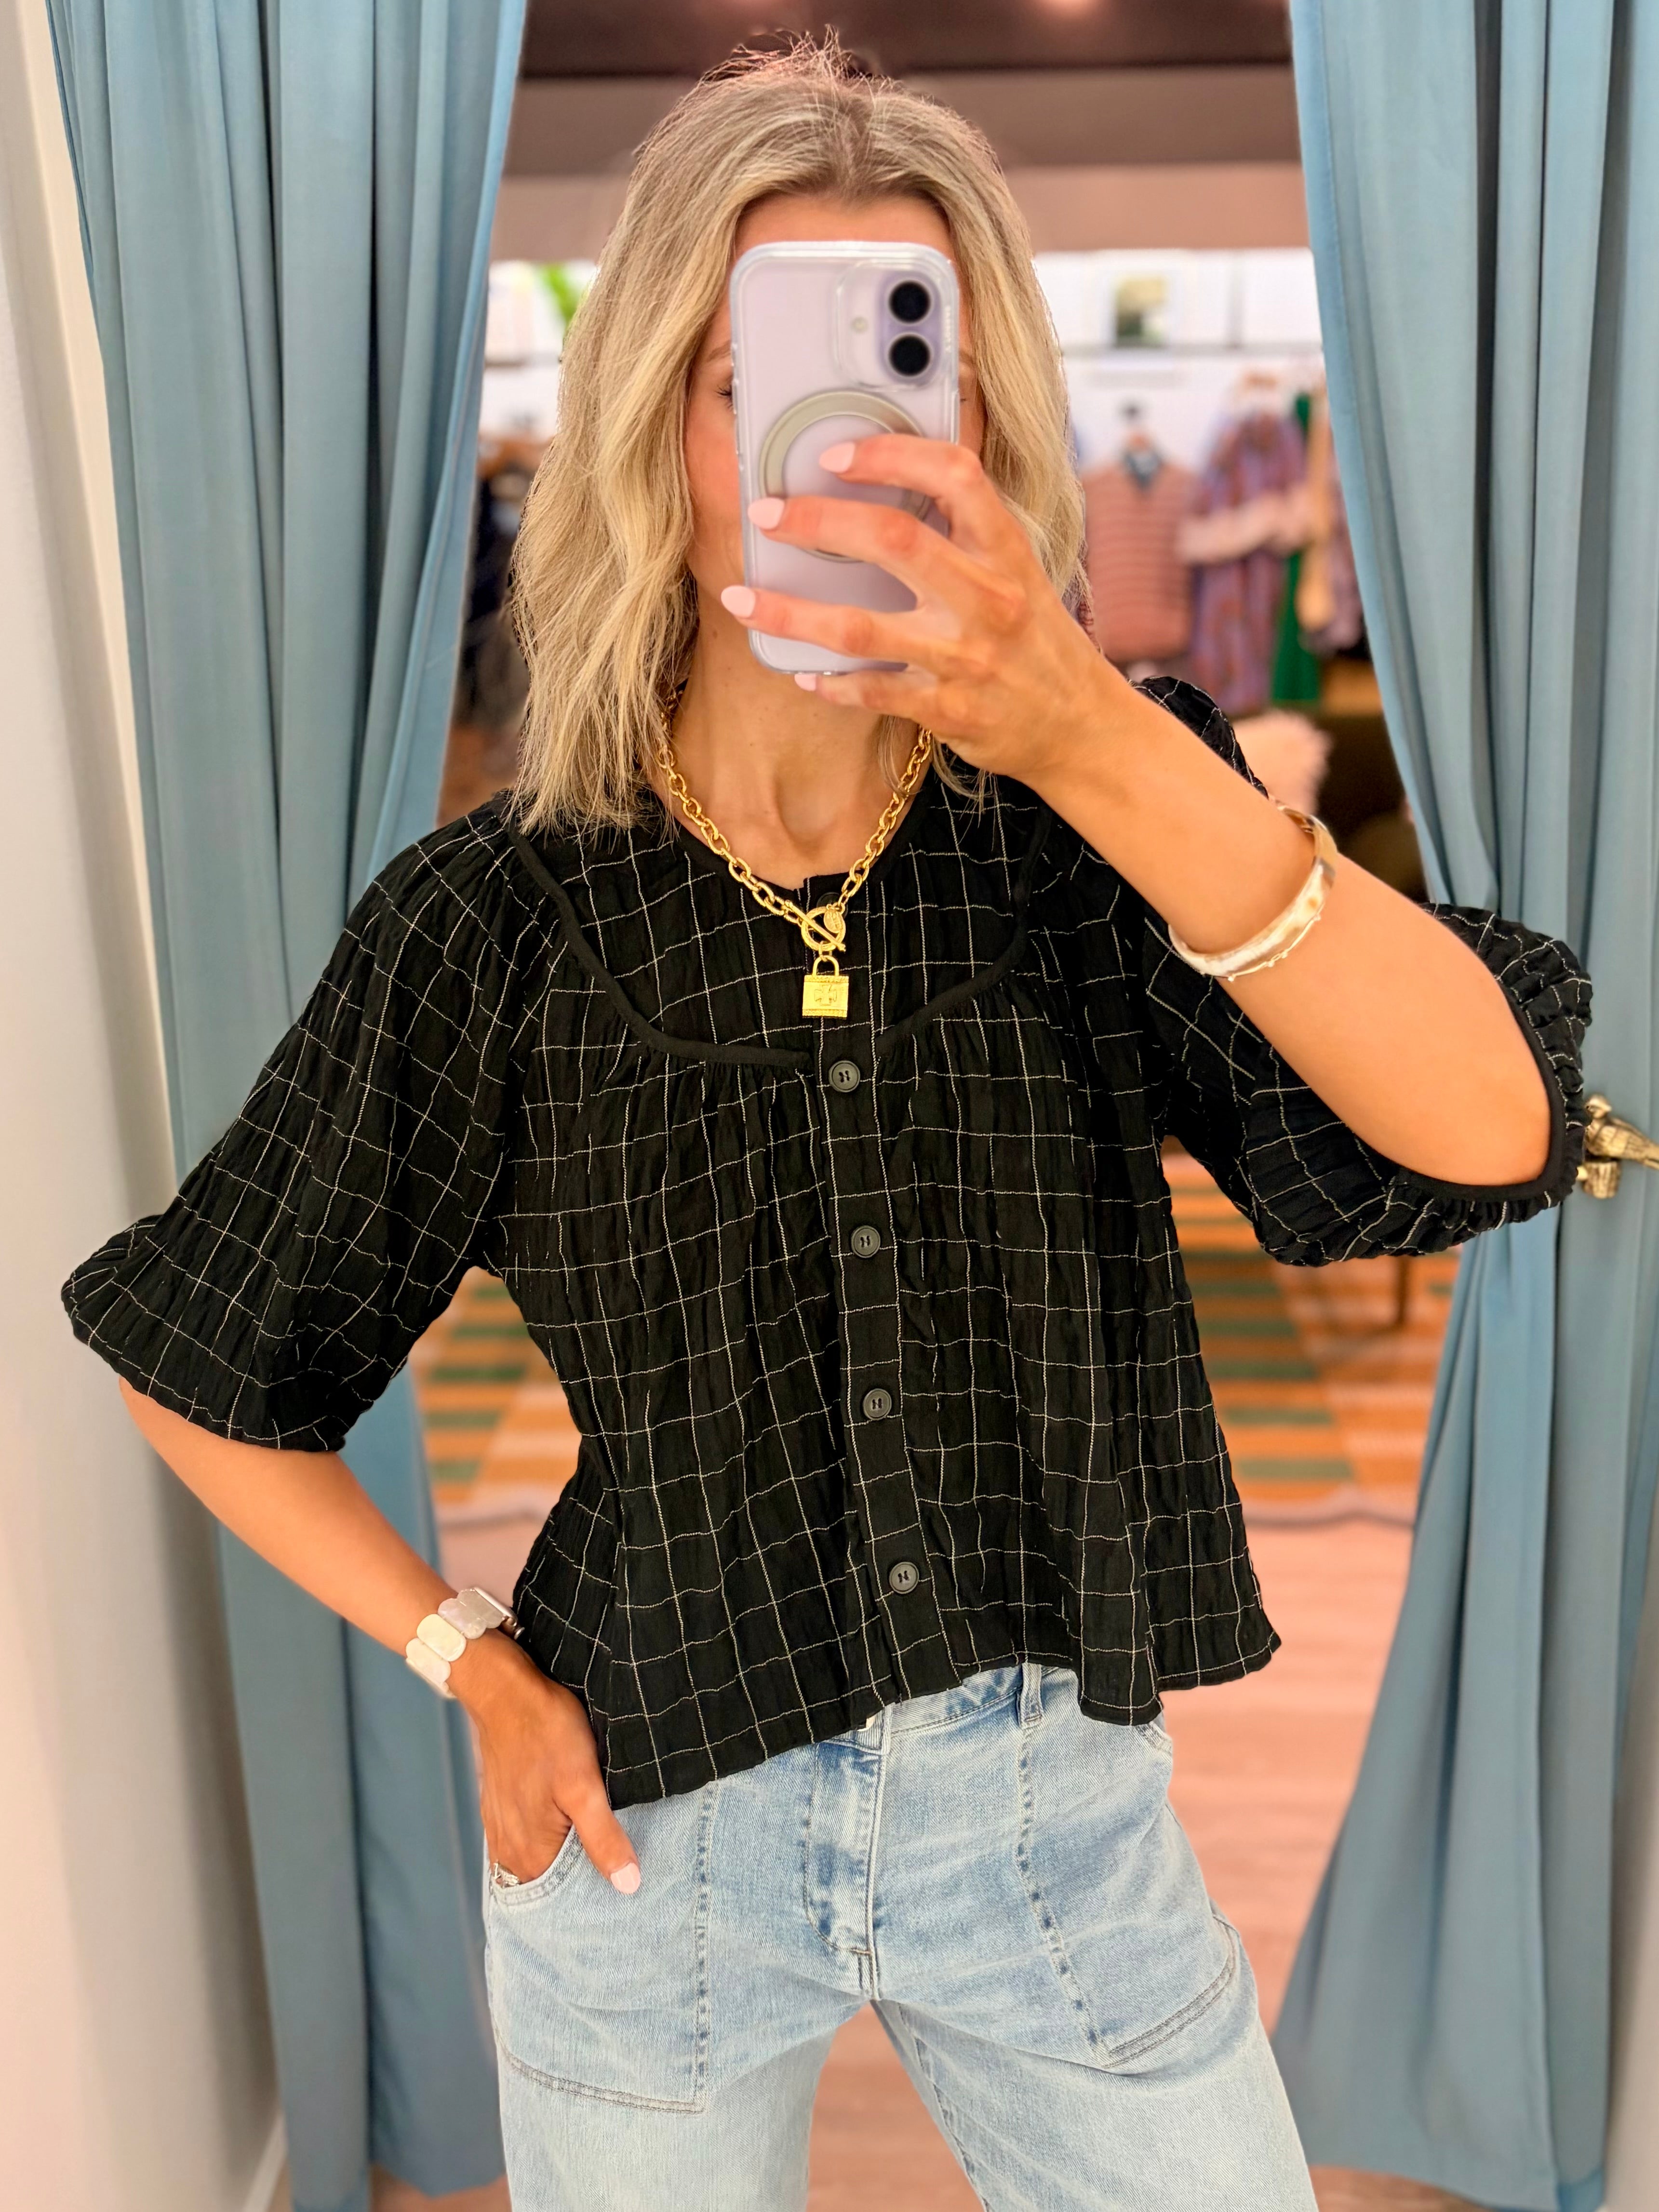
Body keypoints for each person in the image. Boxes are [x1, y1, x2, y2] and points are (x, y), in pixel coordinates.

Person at [64, 43, 1589, 2212]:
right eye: (757, 381)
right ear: (652, 430)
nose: (849, 447)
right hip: (654, 1831)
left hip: (1057, 1832)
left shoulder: (1092, 825)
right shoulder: (499, 917)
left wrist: (1088, 733)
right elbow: (202, 1361)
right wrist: (466, 1662)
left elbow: (1488, 1127)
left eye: (911, 375)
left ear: (990, 423)